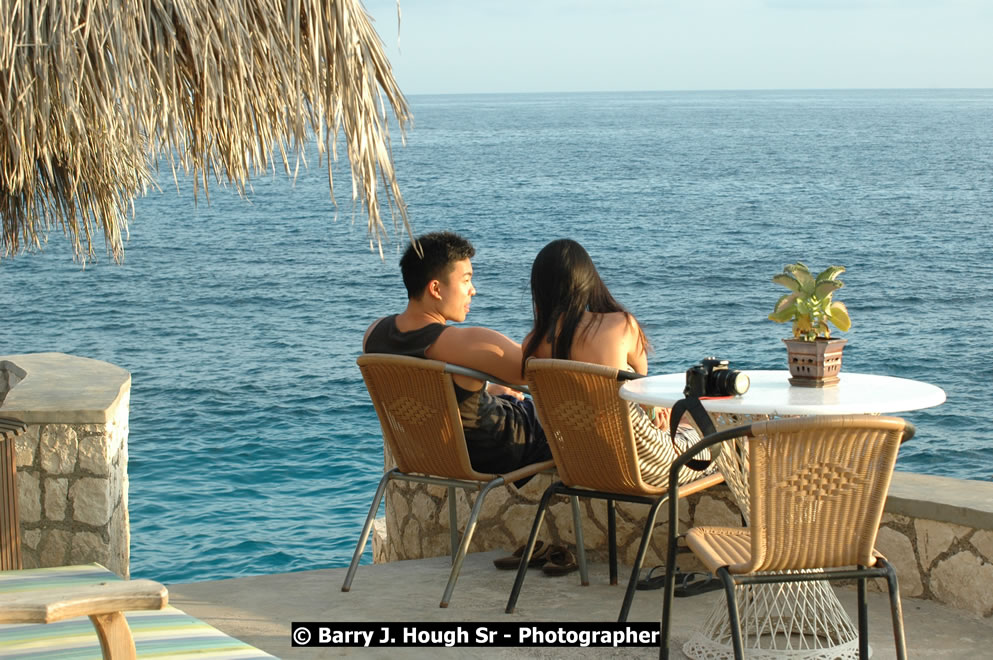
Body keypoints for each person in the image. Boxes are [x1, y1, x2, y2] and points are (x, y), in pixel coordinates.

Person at [521, 238, 711, 487]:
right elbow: (647, 402)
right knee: (721, 430)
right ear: (588, 280)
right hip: (645, 464)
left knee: (689, 423)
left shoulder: (532, 346)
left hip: (580, 465)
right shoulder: (621, 325)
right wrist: (658, 414)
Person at [363, 231, 552, 476]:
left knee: (508, 396)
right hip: (497, 451)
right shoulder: (461, 344)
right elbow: (538, 370)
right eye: (466, 280)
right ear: (436, 289)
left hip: (428, 453)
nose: (472, 290)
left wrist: (484, 391)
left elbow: (430, 395)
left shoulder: (374, 335)